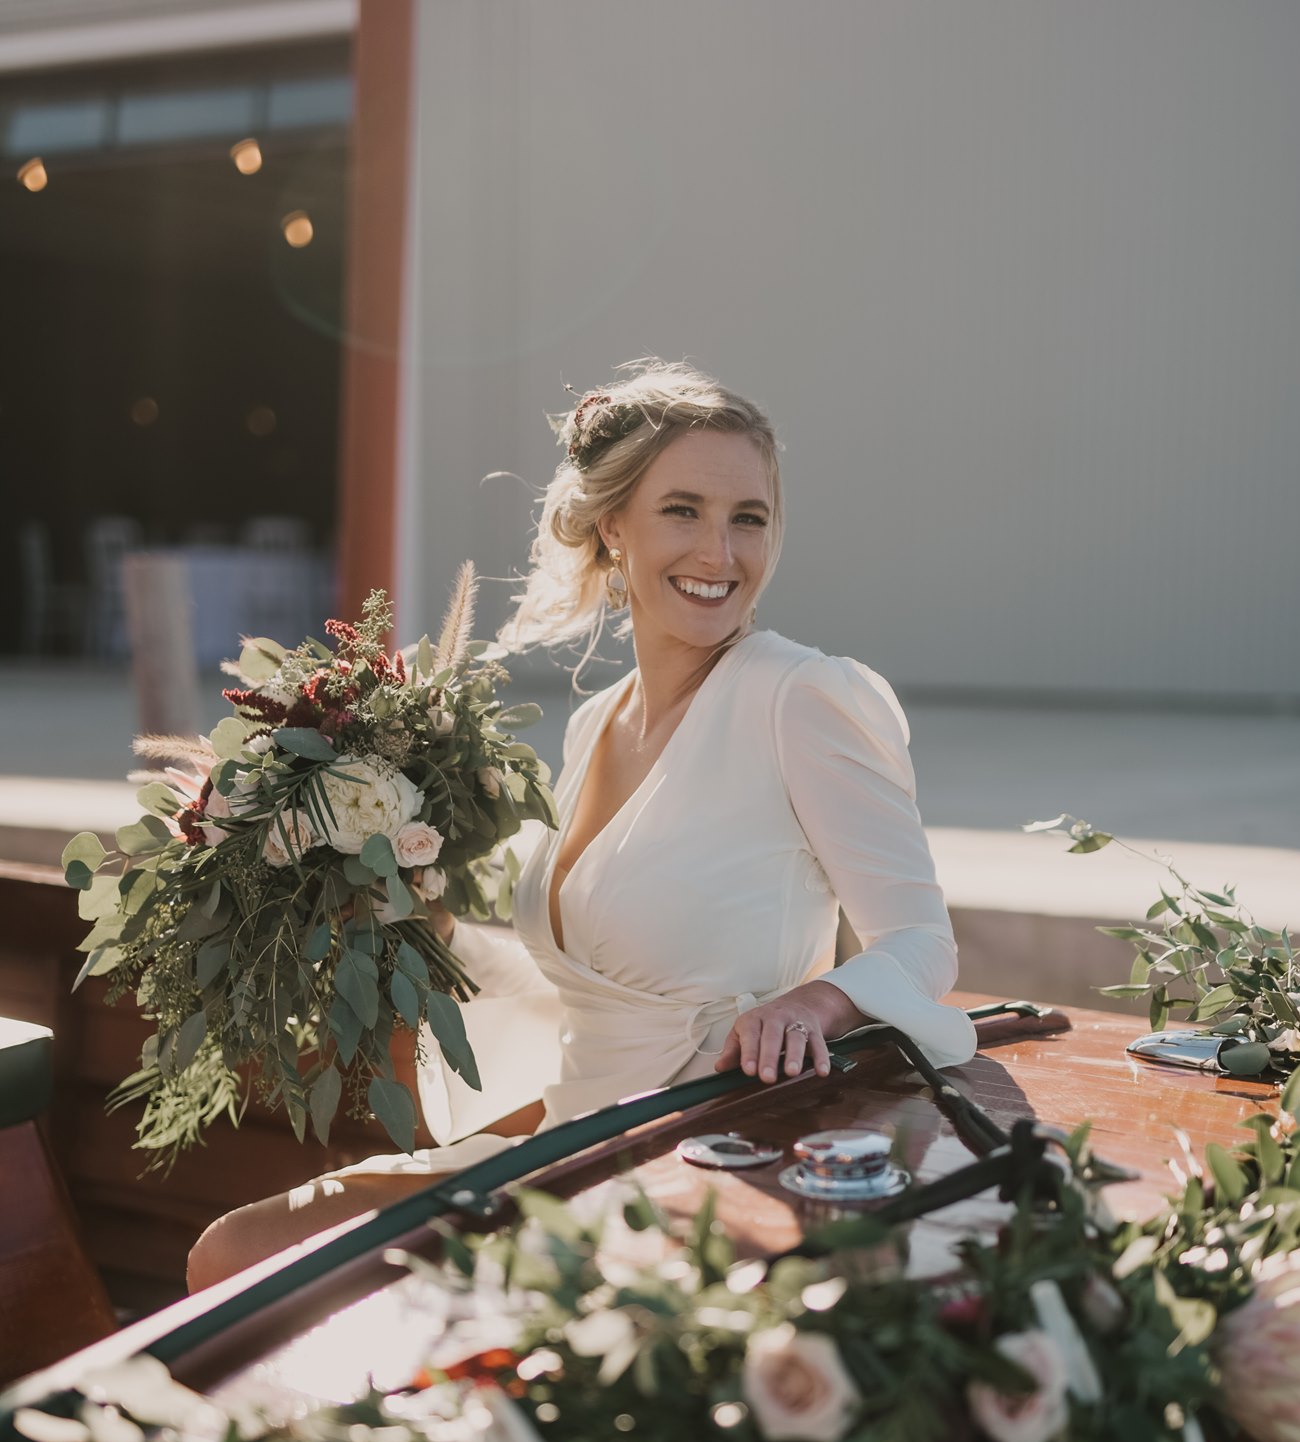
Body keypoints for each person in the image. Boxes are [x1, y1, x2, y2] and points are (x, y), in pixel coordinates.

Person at [186, 359, 975, 1290]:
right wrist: (411, 920)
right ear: (612, 525)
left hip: (690, 1154)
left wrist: (819, 999)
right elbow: (595, 979)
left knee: (252, 1272)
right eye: (682, 510)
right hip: (572, 1132)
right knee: (231, 1254)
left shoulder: (801, 697)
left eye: (747, 518)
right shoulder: (595, 719)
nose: (719, 553)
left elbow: (922, 940)